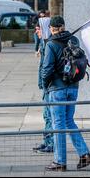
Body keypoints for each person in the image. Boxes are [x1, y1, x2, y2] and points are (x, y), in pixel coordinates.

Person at [42, 15, 90, 171]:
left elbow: (47, 69)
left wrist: (45, 85)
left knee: (58, 125)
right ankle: (84, 154)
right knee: (69, 121)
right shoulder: (73, 41)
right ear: (63, 26)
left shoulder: (51, 44)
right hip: (73, 87)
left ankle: (60, 162)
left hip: (57, 88)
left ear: (52, 28)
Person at [32, 23, 54, 154]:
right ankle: (47, 141)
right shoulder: (43, 42)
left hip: (49, 86)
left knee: (49, 115)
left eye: (38, 29)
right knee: (46, 115)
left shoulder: (48, 44)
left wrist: (44, 83)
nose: (36, 31)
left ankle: (51, 143)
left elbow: (47, 67)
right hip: (45, 85)